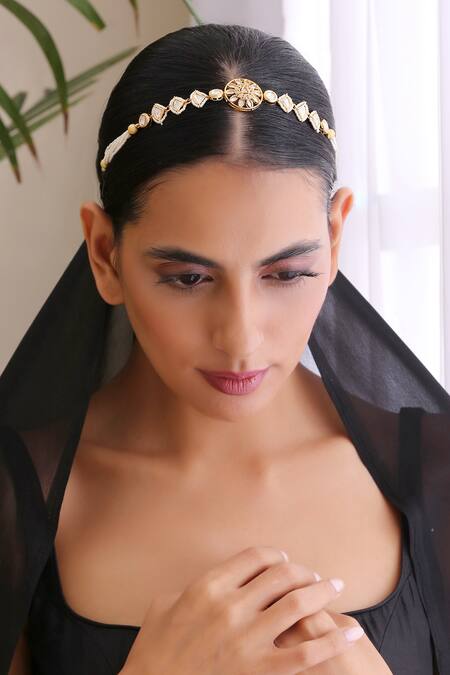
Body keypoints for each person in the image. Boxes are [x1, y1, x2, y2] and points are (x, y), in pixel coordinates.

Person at [1, 22, 449, 675]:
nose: (241, 338)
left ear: (334, 239)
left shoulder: (439, 473)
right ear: (104, 255)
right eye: (189, 278)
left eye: (285, 274)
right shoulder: (14, 499)